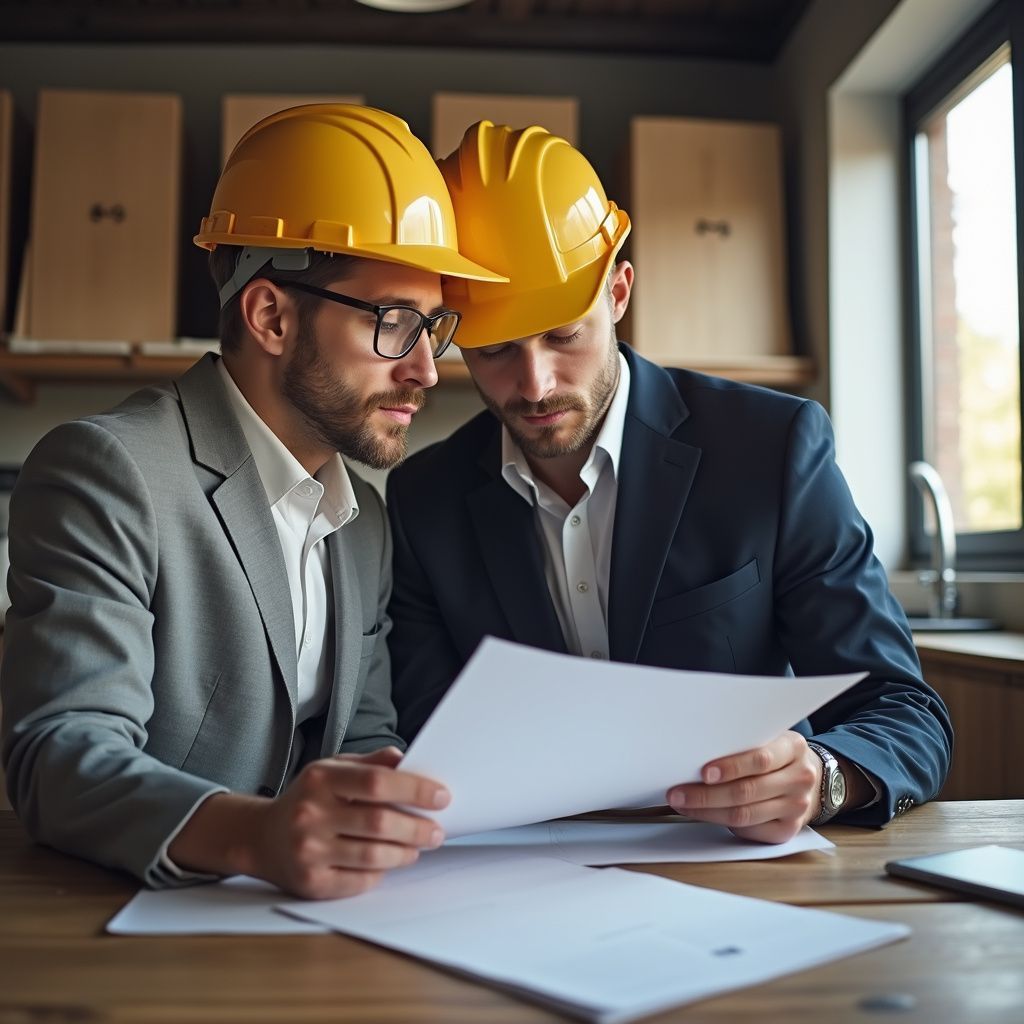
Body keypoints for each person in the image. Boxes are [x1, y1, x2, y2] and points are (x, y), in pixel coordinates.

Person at [386, 121, 952, 841]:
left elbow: (906, 712)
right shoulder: (422, 501)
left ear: (618, 291)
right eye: (494, 350)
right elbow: (428, 738)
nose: (534, 384)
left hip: (743, 879)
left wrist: (826, 777)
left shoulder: (772, 450)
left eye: (563, 334)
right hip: (514, 876)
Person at [0, 104, 506, 897]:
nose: (427, 371)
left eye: (432, 327)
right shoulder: (107, 471)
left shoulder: (362, 520)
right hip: (123, 938)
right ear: (270, 315)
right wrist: (256, 836)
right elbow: (60, 755)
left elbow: (363, 734)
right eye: (396, 323)